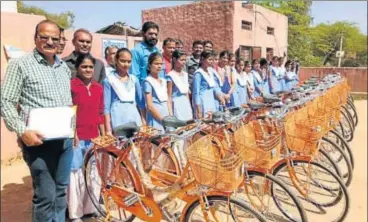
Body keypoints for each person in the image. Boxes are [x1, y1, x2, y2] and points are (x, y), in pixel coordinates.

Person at [1, 20, 73, 222]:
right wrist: (22, 131)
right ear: (36, 38)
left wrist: (72, 132)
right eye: (44, 37)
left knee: (60, 193)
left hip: (65, 142)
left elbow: (67, 103)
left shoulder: (63, 67)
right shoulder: (21, 65)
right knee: (45, 196)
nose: (50, 42)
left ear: (60, 41)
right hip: (38, 143)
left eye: (55, 38)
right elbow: (5, 101)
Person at [67, 54, 104, 222]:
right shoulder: (72, 86)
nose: (88, 70)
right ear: (77, 68)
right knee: (75, 174)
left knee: (93, 173)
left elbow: (100, 113)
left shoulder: (98, 88)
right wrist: (72, 132)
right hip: (77, 137)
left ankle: (91, 207)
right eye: (84, 67)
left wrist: (103, 135)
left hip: (94, 137)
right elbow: (69, 112)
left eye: (90, 67)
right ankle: (75, 213)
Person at [104, 48, 146, 132]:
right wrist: (108, 130)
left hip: (134, 117)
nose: (126, 64)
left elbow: (141, 103)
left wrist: (143, 122)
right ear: (116, 60)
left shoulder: (134, 79)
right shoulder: (109, 80)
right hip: (118, 118)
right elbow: (106, 107)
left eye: (129, 61)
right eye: (122, 61)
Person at [144, 52, 172, 131]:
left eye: (161, 64)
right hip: (156, 117)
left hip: (166, 116)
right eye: (156, 64)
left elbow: (168, 100)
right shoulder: (148, 81)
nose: (159, 66)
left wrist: (170, 116)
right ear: (149, 65)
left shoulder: (163, 81)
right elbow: (150, 105)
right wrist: (162, 120)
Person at [192, 51, 224, 118]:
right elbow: (196, 93)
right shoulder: (198, 74)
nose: (211, 61)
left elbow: (215, 87)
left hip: (211, 100)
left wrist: (221, 98)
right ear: (203, 59)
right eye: (209, 59)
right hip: (203, 101)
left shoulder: (211, 71)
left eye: (212, 59)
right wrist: (199, 109)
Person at [167, 50, 193, 121]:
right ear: (175, 60)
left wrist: (189, 107)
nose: (183, 62)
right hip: (176, 105)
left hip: (186, 105)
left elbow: (186, 93)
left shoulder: (185, 74)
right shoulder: (170, 75)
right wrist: (170, 113)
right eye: (181, 60)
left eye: (185, 60)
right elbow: (169, 96)